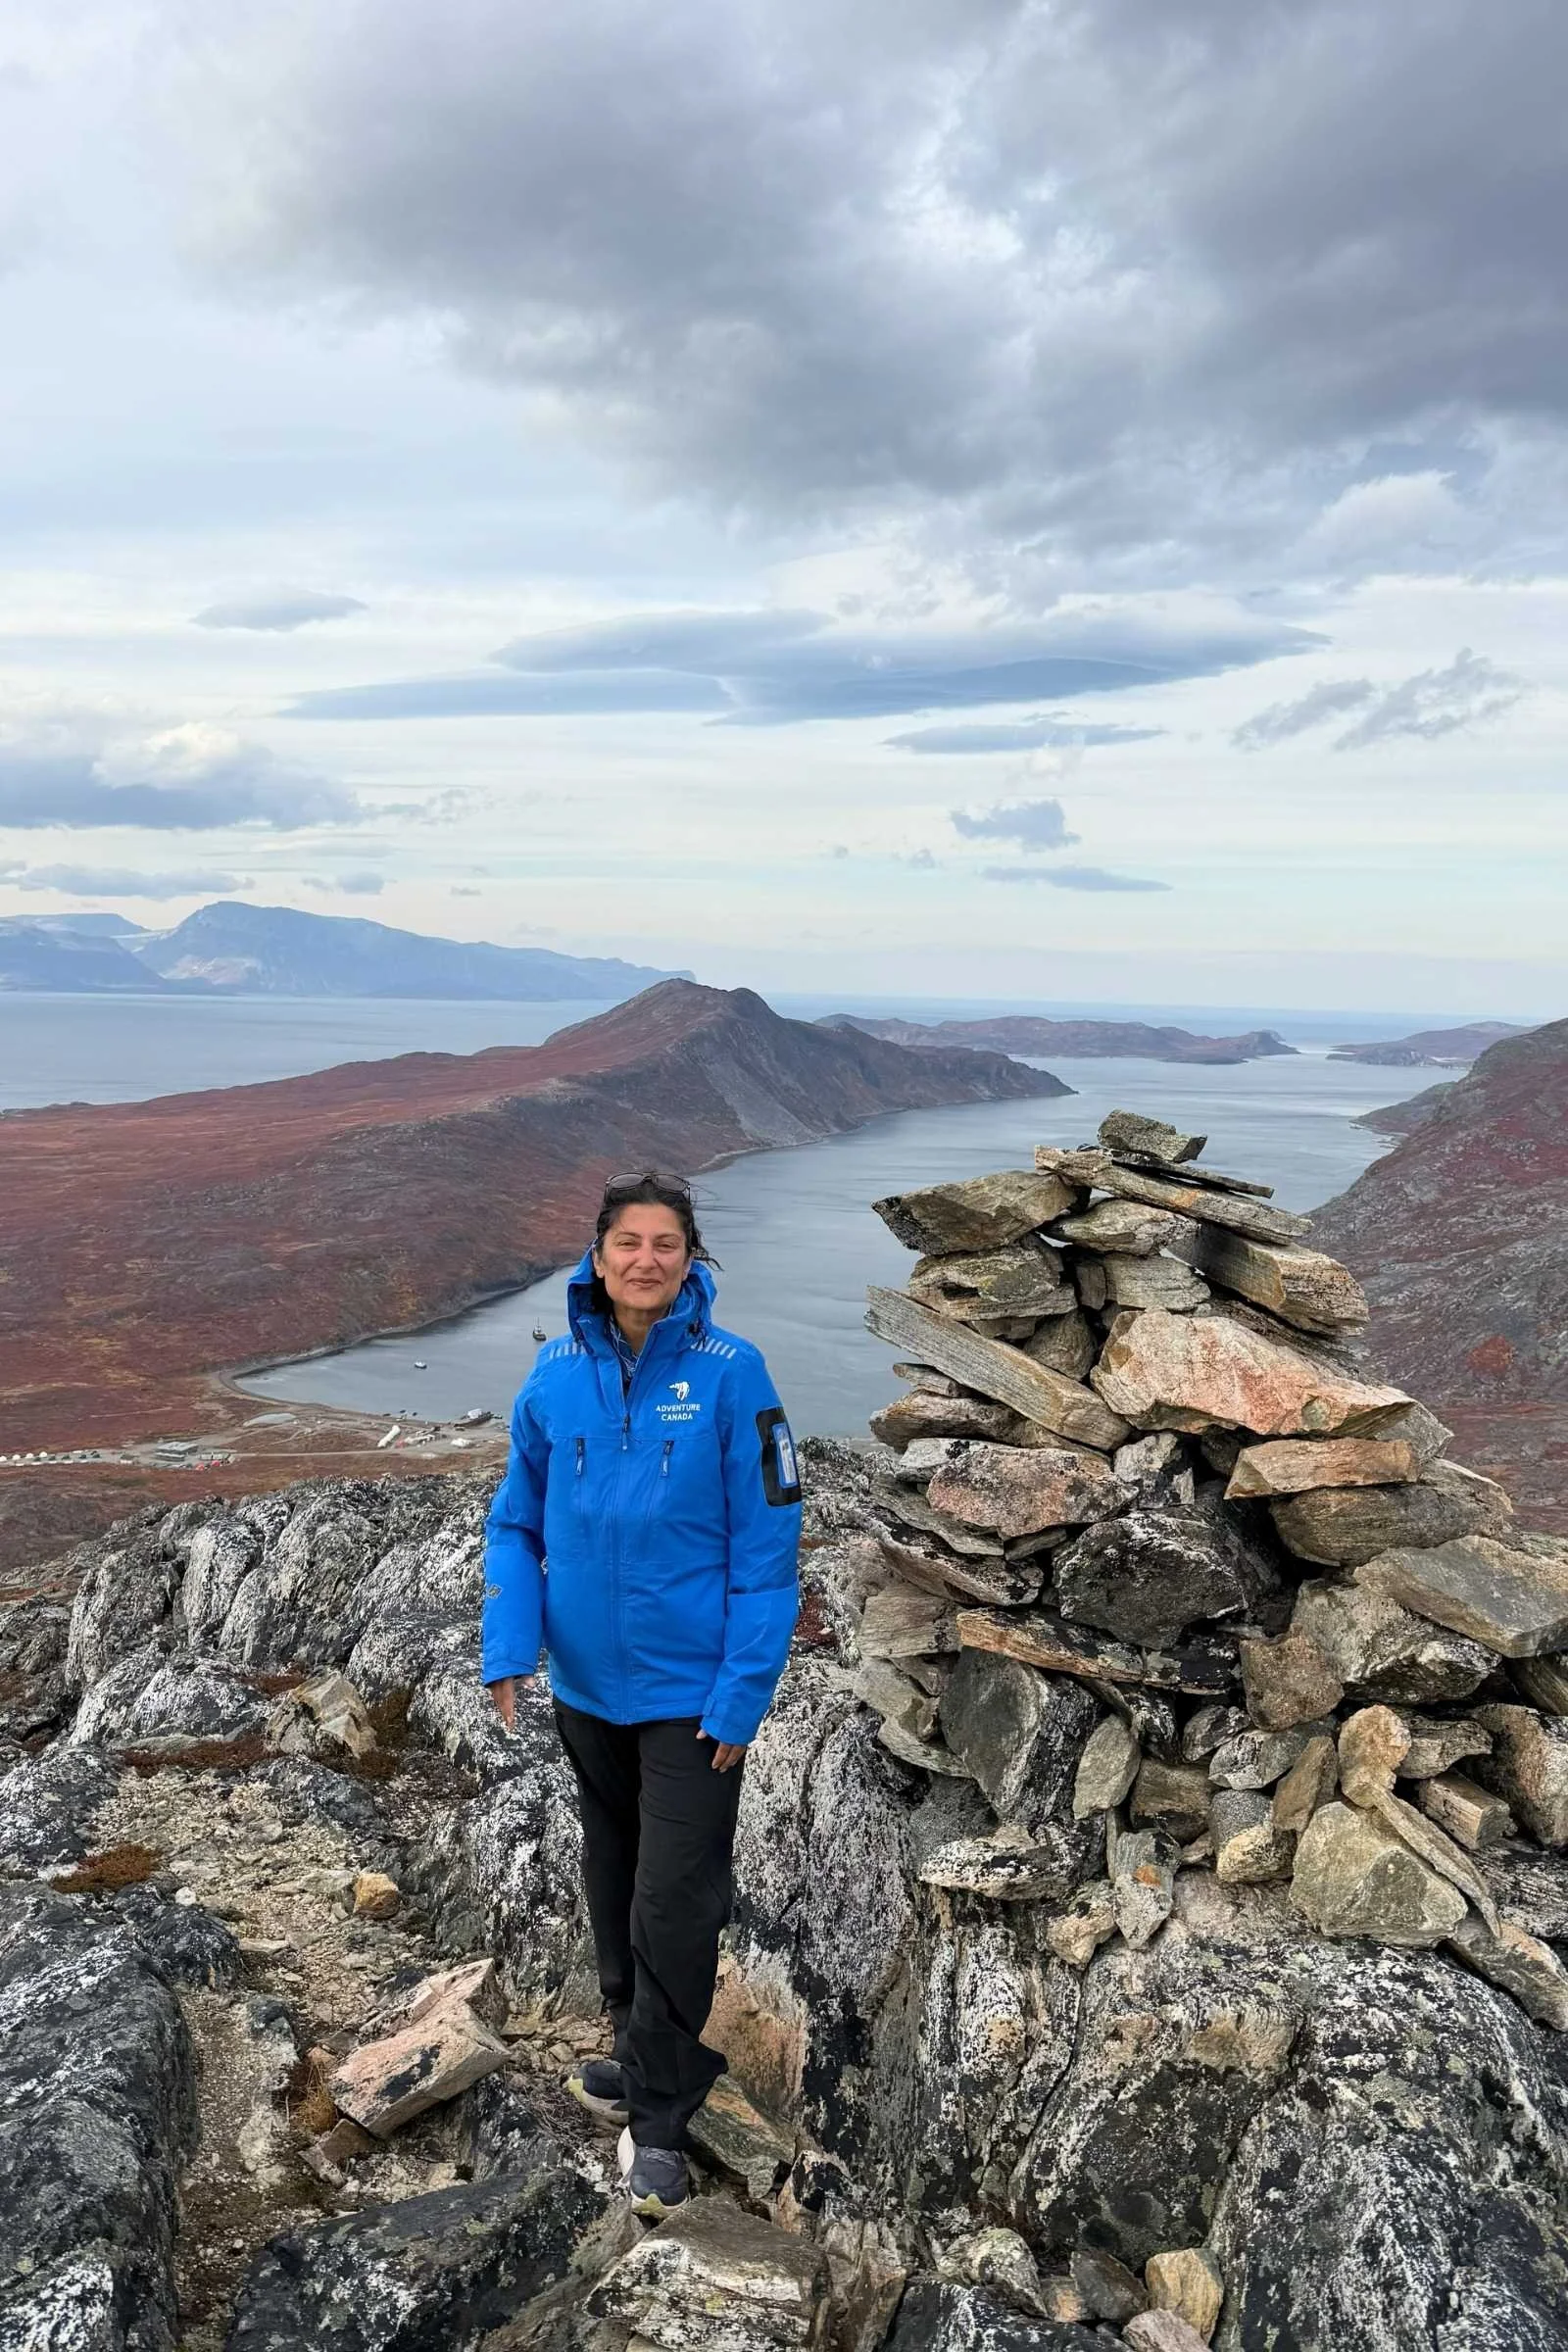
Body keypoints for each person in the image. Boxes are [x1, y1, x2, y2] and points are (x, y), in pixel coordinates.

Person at [481, 1169, 802, 2215]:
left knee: (674, 1900)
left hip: (690, 1694)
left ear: (691, 1257)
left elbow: (769, 1547)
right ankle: (637, 2047)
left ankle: (660, 2117)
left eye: (668, 1243)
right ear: (599, 1251)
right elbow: (516, 1524)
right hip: (586, 1688)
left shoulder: (732, 1374)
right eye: (630, 1241)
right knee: (612, 1867)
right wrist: (509, 1646)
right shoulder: (553, 1373)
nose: (647, 1259)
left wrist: (741, 1693)